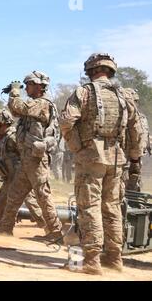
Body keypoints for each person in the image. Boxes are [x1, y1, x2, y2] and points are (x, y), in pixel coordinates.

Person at [59, 53, 143, 275]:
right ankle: (114, 258)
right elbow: (137, 130)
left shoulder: (83, 92)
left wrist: (78, 147)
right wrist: (134, 157)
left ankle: (91, 261)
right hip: (117, 160)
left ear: (90, 71)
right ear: (110, 70)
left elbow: (67, 121)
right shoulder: (124, 96)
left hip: (91, 159)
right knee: (112, 208)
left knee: (89, 207)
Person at [0, 71, 63, 241]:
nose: (26, 88)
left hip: (36, 160)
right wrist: (13, 95)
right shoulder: (34, 104)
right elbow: (15, 111)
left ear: (39, 86)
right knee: (14, 195)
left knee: (42, 196)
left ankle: (56, 233)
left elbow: (20, 107)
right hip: (27, 160)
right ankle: (4, 229)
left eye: (28, 85)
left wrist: (14, 91)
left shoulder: (42, 103)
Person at [0, 109, 46, 233]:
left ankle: (49, 229)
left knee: (32, 203)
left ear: (2, 122)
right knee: (2, 198)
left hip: (20, 177)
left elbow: (25, 155)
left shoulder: (13, 137)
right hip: (10, 177)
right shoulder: (0, 137)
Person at [122, 88, 151, 191]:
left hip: (137, 157)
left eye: (136, 102)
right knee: (123, 181)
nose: (135, 104)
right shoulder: (122, 118)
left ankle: (135, 200)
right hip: (125, 157)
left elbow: (145, 134)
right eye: (133, 101)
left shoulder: (142, 118)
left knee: (135, 180)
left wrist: (148, 147)